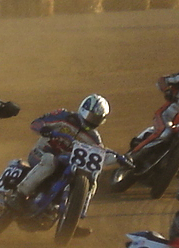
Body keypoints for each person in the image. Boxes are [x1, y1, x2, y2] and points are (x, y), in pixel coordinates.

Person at [9, 94, 121, 222]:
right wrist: (44, 129)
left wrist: (120, 159)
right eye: (91, 116)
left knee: (92, 179)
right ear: (83, 109)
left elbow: (100, 156)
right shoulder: (64, 116)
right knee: (50, 161)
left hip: (66, 164)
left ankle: (73, 218)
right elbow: (37, 123)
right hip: (41, 153)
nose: (93, 120)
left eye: (97, 118)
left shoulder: (93, 138)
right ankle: (18, 195)